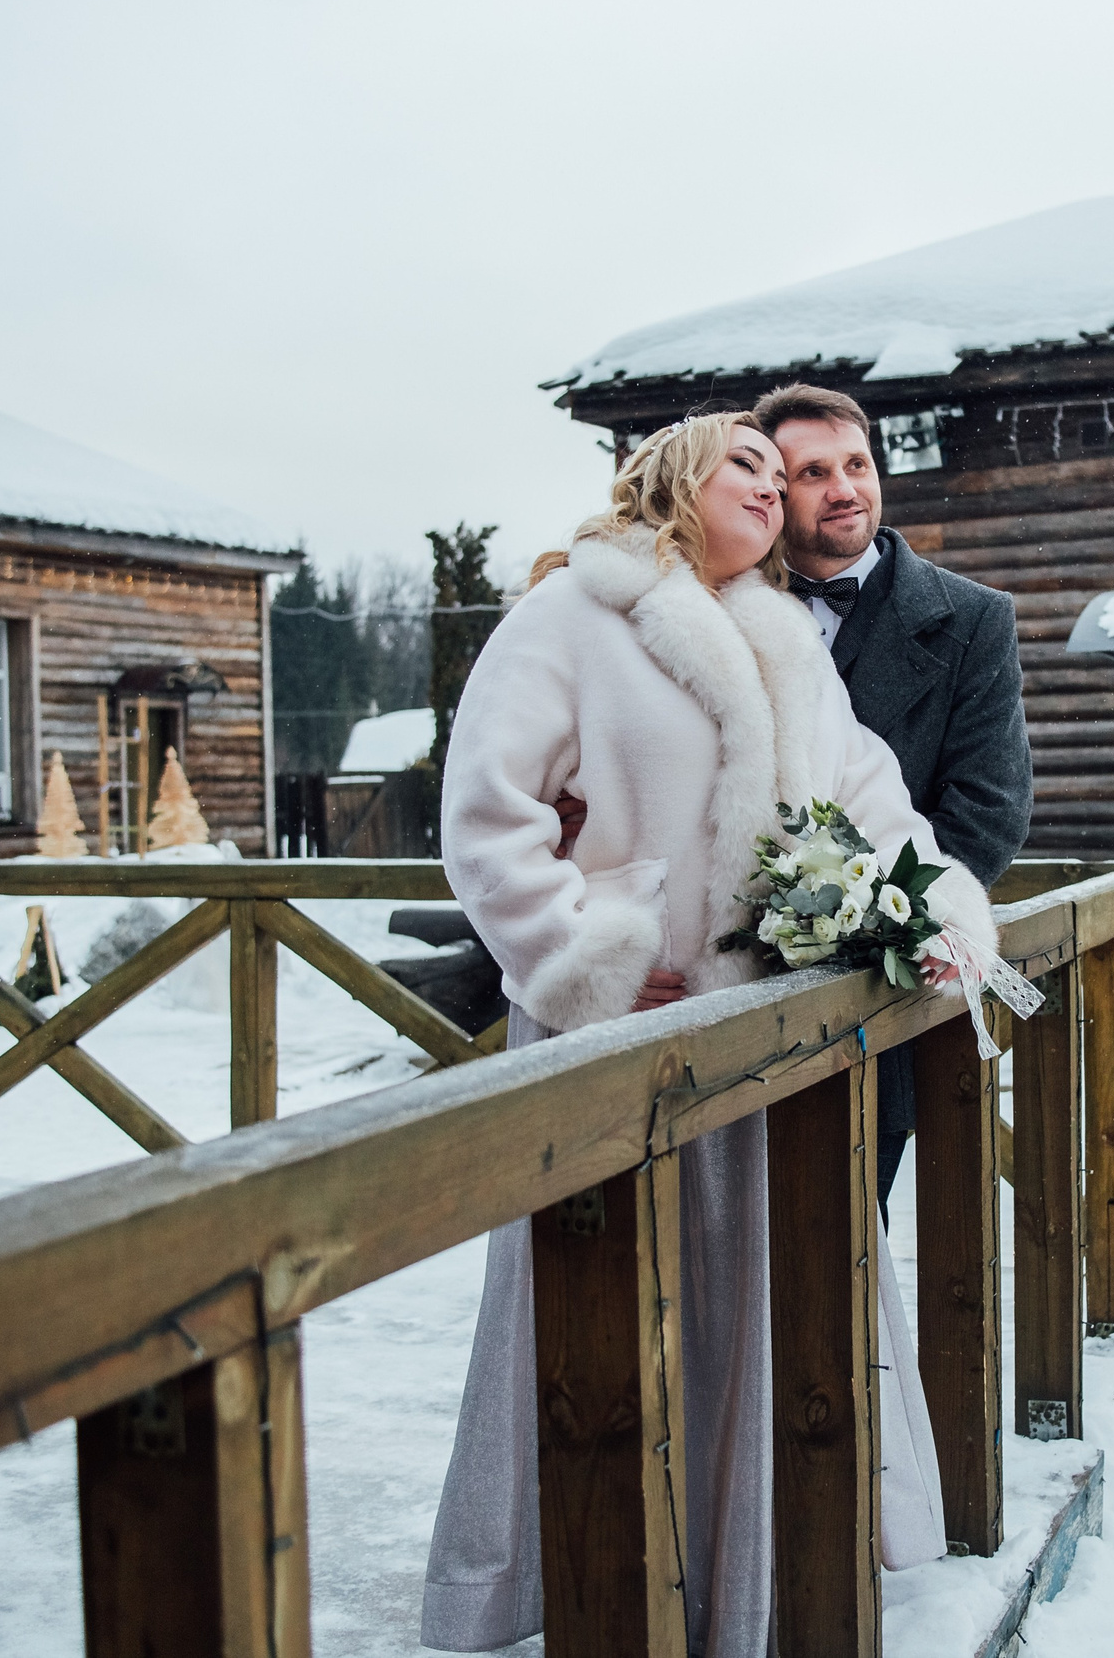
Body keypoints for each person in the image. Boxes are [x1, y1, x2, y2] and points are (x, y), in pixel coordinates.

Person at [420, 412, 994, 1657]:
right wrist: (592, 958)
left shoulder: (782, 637)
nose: (773, 485)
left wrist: (936, 908)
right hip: (618, 1029)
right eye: (747, 461)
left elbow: (867, 799)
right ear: (674, 477)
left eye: (779, 472)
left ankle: (760, 1557)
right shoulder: (570, 615)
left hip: (763, 1035)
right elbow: (485, 813)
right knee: (598, 1294)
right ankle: (576, 1565)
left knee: (769, 1291)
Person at [749, 383, 1033, 1212]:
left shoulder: (972, 620)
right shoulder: (725, 607)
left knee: (837, 1238)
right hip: (724, 995)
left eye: (858, 464)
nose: (845, 488)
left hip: (876, 996)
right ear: (773, 490)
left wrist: (855, 921)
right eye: (814, 472)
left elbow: (989, 808)